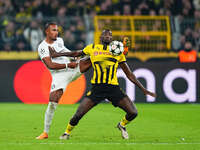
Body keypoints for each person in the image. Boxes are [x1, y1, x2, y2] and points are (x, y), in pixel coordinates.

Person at [49, 29, 156, 140]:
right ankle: (66, 133)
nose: (108, 36)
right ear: (100, 37)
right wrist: (57, 54)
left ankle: (122, 125)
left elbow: (129, 74)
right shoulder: (93, 48)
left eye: (110, 35)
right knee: (78, 114)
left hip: (113, 88)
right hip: (97, 89)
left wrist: (143, 89)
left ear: (112, 38)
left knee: (133, 112)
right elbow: (76, 53)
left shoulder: (117, 51)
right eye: (105, 34)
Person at [36, 22, 91, 140]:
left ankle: (117, 55)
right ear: (47, 32)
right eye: (53, 30)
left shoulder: (60, 41)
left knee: (93, 58)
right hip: (59, 75)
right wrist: (67, 65)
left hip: (73, 67)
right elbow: (50, 65)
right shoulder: (42, 47)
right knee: (52, 103)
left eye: (57, 30)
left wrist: (74, 58)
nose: (56, 32)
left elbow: (66, 52)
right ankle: (45, 132)